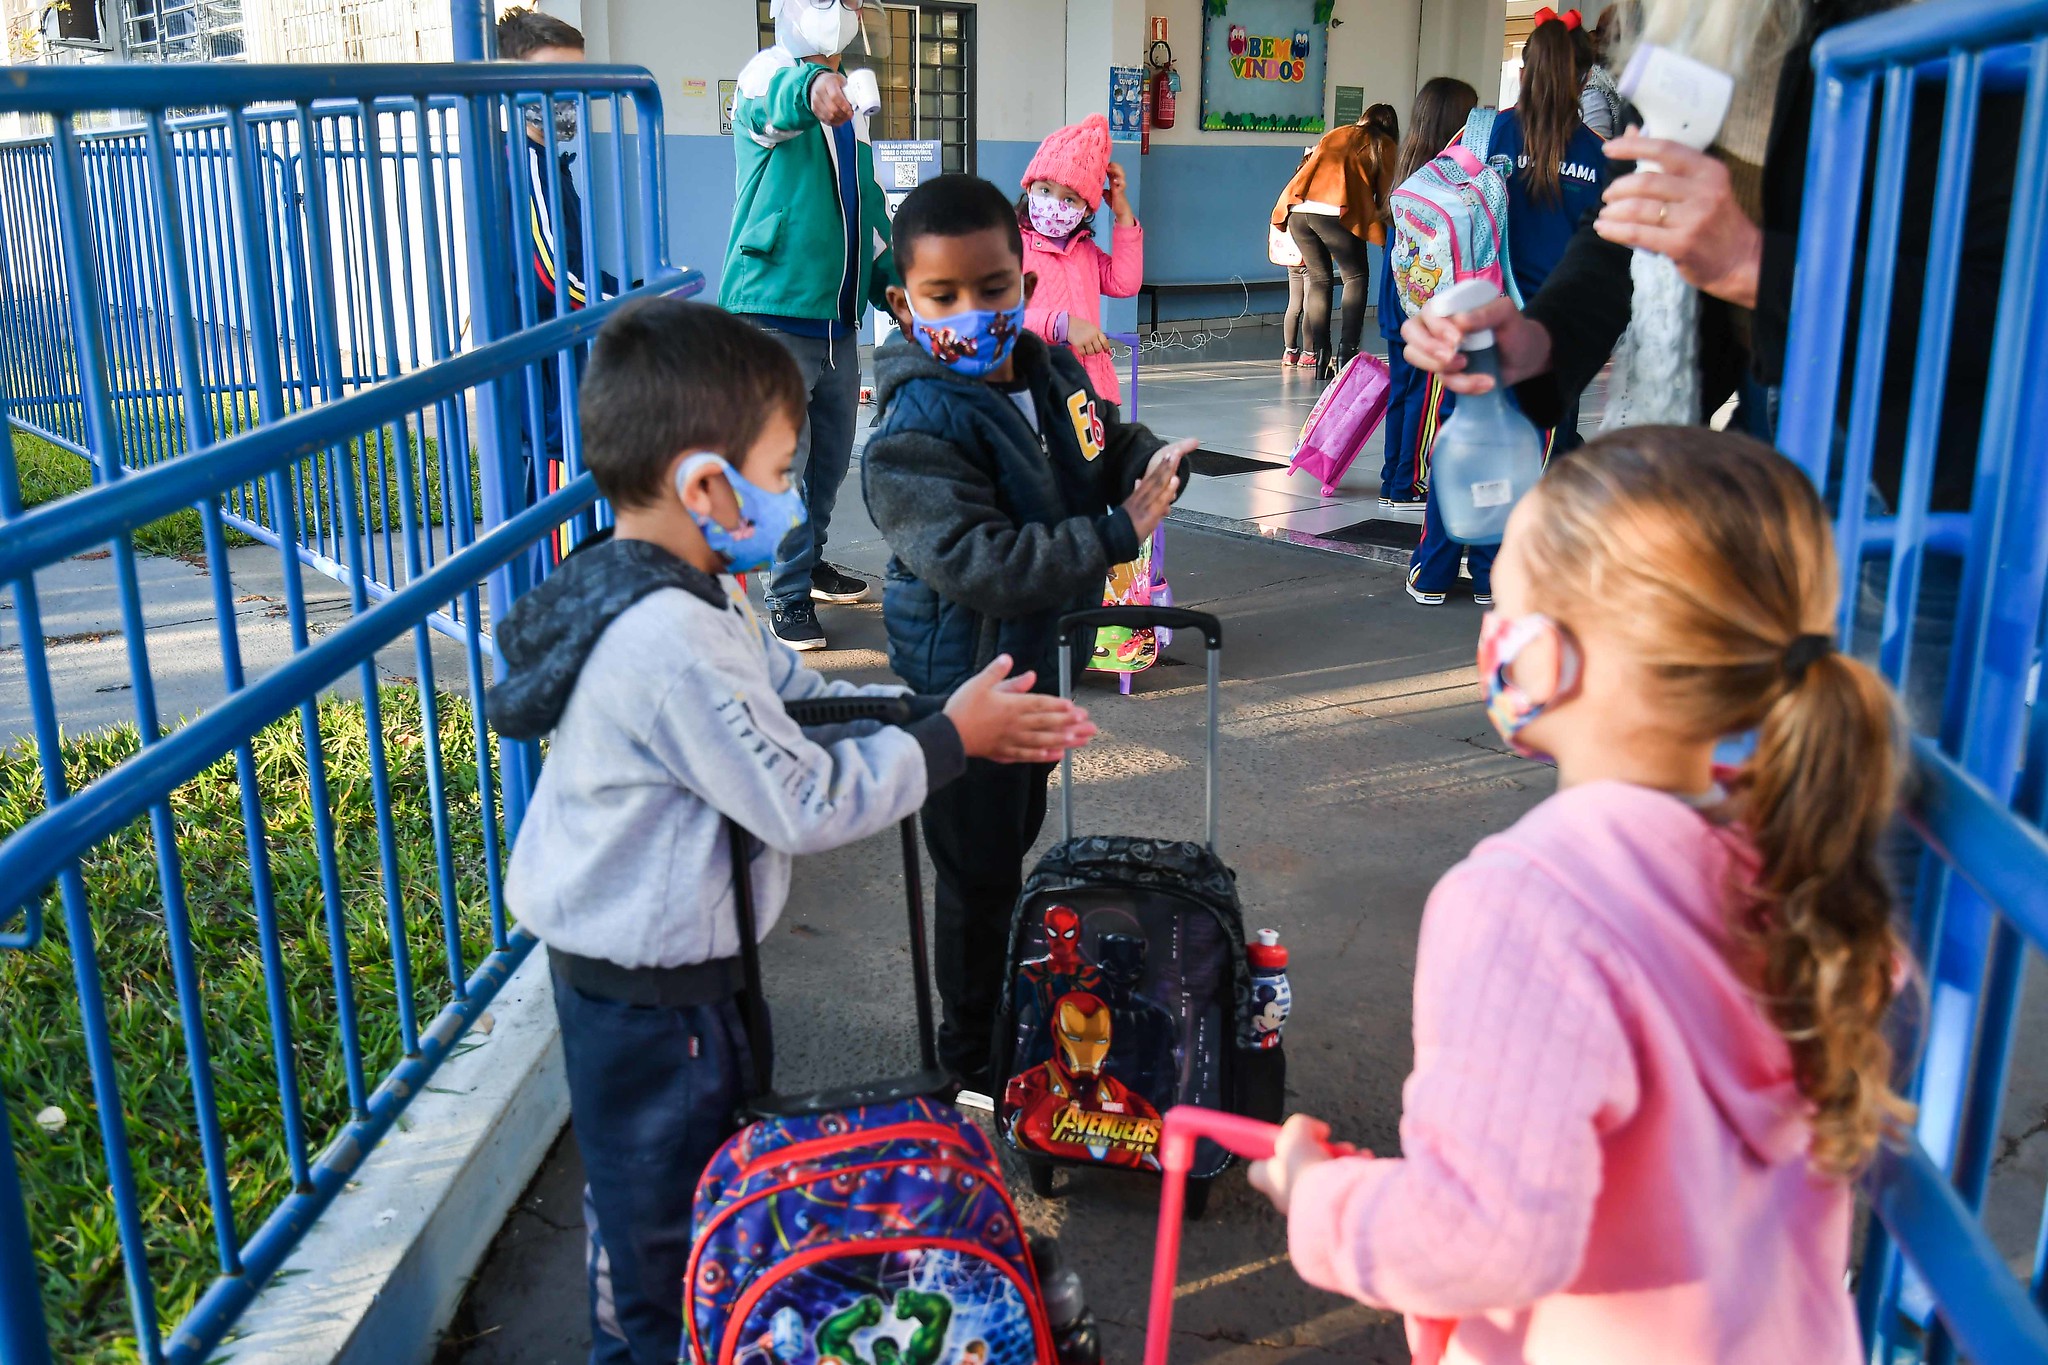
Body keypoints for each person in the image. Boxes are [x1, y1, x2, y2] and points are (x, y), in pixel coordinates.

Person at [488, 297, 1095, 1365]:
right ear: (704, 487)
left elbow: (797, 694)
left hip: (682, 976)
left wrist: (934, 719)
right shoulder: (667, 639)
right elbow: (805, 800)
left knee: (689, 1187)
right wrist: (947, 742)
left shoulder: (688, 589)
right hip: (651, 1001)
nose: (788, 498)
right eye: (778, 472)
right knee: (661, 1229)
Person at [1251, 427, 1908, 1365]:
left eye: (1508, 602)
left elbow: (1481, 1237)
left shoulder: (1529, 906)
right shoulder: (1806, 851)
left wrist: (1318, 1196)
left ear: (1554, 659)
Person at [862, 174, 1194, 1092]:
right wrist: (1115, 532)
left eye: (993, 288)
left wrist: (1145, 460)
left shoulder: (1043, 373)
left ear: (1027, 281)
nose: (974, 312)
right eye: (944, 297)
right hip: (962, 688)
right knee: (975, 875)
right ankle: (970, 1055)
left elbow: (1098, 445)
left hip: (1034, 660)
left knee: (1013, 840)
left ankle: (1010, 1004)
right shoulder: (911, 430)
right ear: (904, 302)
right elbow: (982, 558)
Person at [1407, 17, 1609, 607]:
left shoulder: (1483, 134)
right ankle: (1499, 573)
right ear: (1584, 78)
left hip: (1478, 317)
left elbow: (1430, 201)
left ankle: (1435, 570)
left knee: (1460, 439)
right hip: (1552, 336)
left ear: (1524, 71)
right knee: (1532, 449)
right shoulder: (1600, 157)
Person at [723, 0, 896, 652]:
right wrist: (814, 87)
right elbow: (778, 102)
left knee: (827, 462)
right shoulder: (766, 76)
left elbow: (869, 219)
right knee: (784, 466)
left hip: (837, 323)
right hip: (772, 316)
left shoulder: (850, 109)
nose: (846, 9)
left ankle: (807, 561)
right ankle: (786, 596)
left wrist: (895, 289)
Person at [498, 8, 618, 565]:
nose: (567, 92)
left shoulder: (545, 157)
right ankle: (554, 619)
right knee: (557, 482)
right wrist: (628, 302)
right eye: (552, 78)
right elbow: (551, 270)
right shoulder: (527, 161)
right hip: (548, 366)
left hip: (553, 352)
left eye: (575, 77)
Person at [1374, 76, 1478, 507]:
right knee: (1423, 394)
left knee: (1404, 389)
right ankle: (1407, 484)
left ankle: (1391, 478)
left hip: (1396, 300)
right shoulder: (1445, 182)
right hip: (1424, 303)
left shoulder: (1409, 171)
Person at [1017, 113, 1144, 411]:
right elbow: (995, 317)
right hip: (1035, 390)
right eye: (1045, 190)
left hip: (1090, 390)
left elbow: (1124, 282)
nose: (1054, 204)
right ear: (1029, 188)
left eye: (1070, 199)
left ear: (1086, 210)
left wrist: (1124, 216)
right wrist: (1061, 325)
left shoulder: (1083, 249)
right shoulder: (1009, 247)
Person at [1270, 101, 1397, 378]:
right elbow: (1387, 195)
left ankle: (1319, 356)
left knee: (1319, 281)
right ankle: (1347, 354)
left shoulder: (1337, 133)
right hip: (1334, 212)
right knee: (1356, 278)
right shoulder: (1384, 143)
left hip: (1298, 211)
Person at [1276, 146, 1315, 369]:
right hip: (1310, 256)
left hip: (1291, 255)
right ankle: (1309, 353)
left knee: (1294, 304)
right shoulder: (1317, 190)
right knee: (1311, 304)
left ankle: (1289, 351)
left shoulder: (1291, 189)